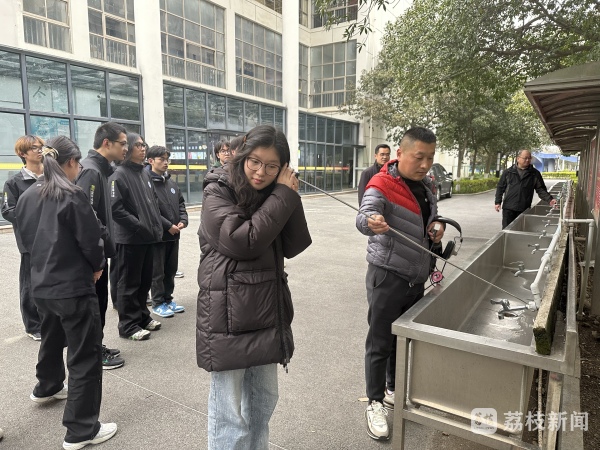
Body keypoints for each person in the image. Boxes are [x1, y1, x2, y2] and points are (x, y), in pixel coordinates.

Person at [197, 125, 312, 450]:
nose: (261, 172)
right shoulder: (218, 189)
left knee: (263, 402)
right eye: (255, 162)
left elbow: (294, 244)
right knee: (229, 415)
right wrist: (281, 196)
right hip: (227, 315)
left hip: (265, 310)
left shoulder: (275, 192)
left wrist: (288, 195)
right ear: (243, 155)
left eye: (272, 166)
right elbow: (242, 240)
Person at [15, 136, 117, 450]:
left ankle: (47, 386)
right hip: (72, 286)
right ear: (71, 162)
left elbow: (25, 241)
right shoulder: (71, 195)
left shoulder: (27, 196)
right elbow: (92, 240)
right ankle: (82, 429)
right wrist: (97, 265)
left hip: (41, 284)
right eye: (78, 165)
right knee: (84, 355)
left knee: (51, 336)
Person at [356, 127, 445, 441]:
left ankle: (393, 389)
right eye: (419, 157)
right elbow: (364, 214)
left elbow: (432, 216)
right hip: (387, 275)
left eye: (430, 158)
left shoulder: (427, 185)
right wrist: (371, 222)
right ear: (400, 153)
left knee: (401, 339)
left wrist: (436, 226)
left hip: (416, 276)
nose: (425, 164)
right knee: (380, 342)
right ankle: (374, 401)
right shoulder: (381, 183)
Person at [75, 122, 127, 369]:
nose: (126, 148)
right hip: (92, 256)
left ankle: (97, 346)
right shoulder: (91, 171)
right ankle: (93, 353)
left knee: (100, 304)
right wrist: (96, 259)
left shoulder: (101, 170)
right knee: (94, 305)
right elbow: (86, 218)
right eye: (122, 143)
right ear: (107, 143)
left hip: (99, 252)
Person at [110, 133, 163, 341]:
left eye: (144, 145)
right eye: (138, 145)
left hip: (147, 238)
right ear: (128, 148)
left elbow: (153, 203)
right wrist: (139, 226)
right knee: (128, 284)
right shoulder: (118, 174)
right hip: (130, 239)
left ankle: (142, 316)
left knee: (143, 282)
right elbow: (116, 209)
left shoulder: (144, 173)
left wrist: (154, 228)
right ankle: (128, 325)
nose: (143, 148)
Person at [1, 135, 44, 341]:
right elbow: (8, 211)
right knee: (30, 284)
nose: (39, 150)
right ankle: (33, 325)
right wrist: (36, 216)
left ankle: (51, 319)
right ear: (22, 153)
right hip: (30, 241)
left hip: (55, 239)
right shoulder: (14, 182)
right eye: (34, 148)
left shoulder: (51, 176)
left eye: (41, 147)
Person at [146, 145, 188, 318]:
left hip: (174, 235)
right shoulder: (147, 182)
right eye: (161, 159)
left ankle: (168, 299)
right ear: (150, 161)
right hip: (159, 236)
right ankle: (158, 303)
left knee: (171, 270)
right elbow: (151, 210)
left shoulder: (170, 182)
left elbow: (181, 203)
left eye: (167, 159)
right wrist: (167, 225)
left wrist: (183, 220)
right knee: (158, 272)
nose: (165, 162)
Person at [494, 149, 557, 228]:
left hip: (524, 208)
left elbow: (541, 189)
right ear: (518, 158)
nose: (527, 160)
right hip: (509, 208)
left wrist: (549, 199)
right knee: (507, 230)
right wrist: (497, 202)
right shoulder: (508, 172)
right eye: (525, 158)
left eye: (529, 158)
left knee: (520, 229)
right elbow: (500, 188)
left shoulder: (534, 174)